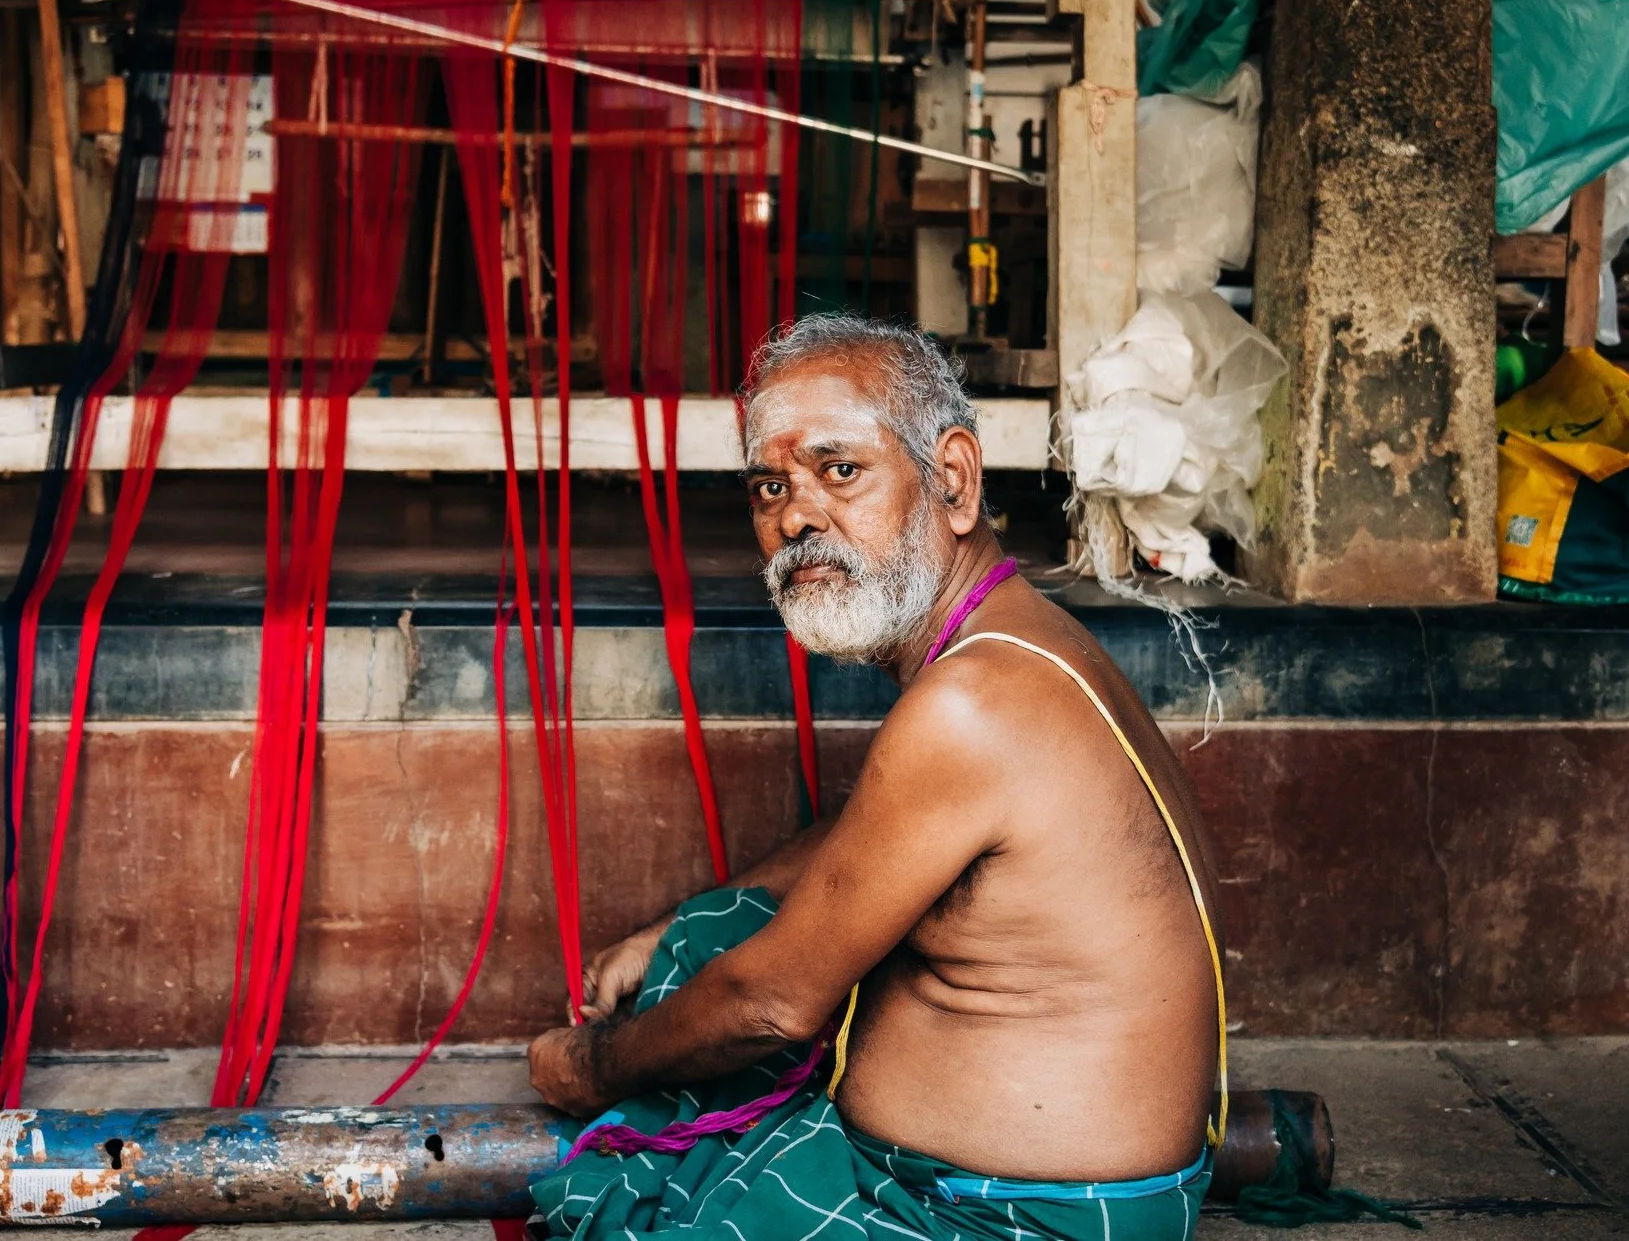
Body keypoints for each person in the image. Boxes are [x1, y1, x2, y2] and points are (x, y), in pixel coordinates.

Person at [523, 314, 1228, 1240]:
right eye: (771, 485)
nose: (797, 516)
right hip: (1021, 1186)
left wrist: (587, 1066)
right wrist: (668, 929)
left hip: (1007, 1217)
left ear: (954, 479)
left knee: (633, 1156)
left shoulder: (968, 706)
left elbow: (769, 1005)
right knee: (709, 937)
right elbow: (870, 837)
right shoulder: (1019, 638)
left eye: (840, 470)